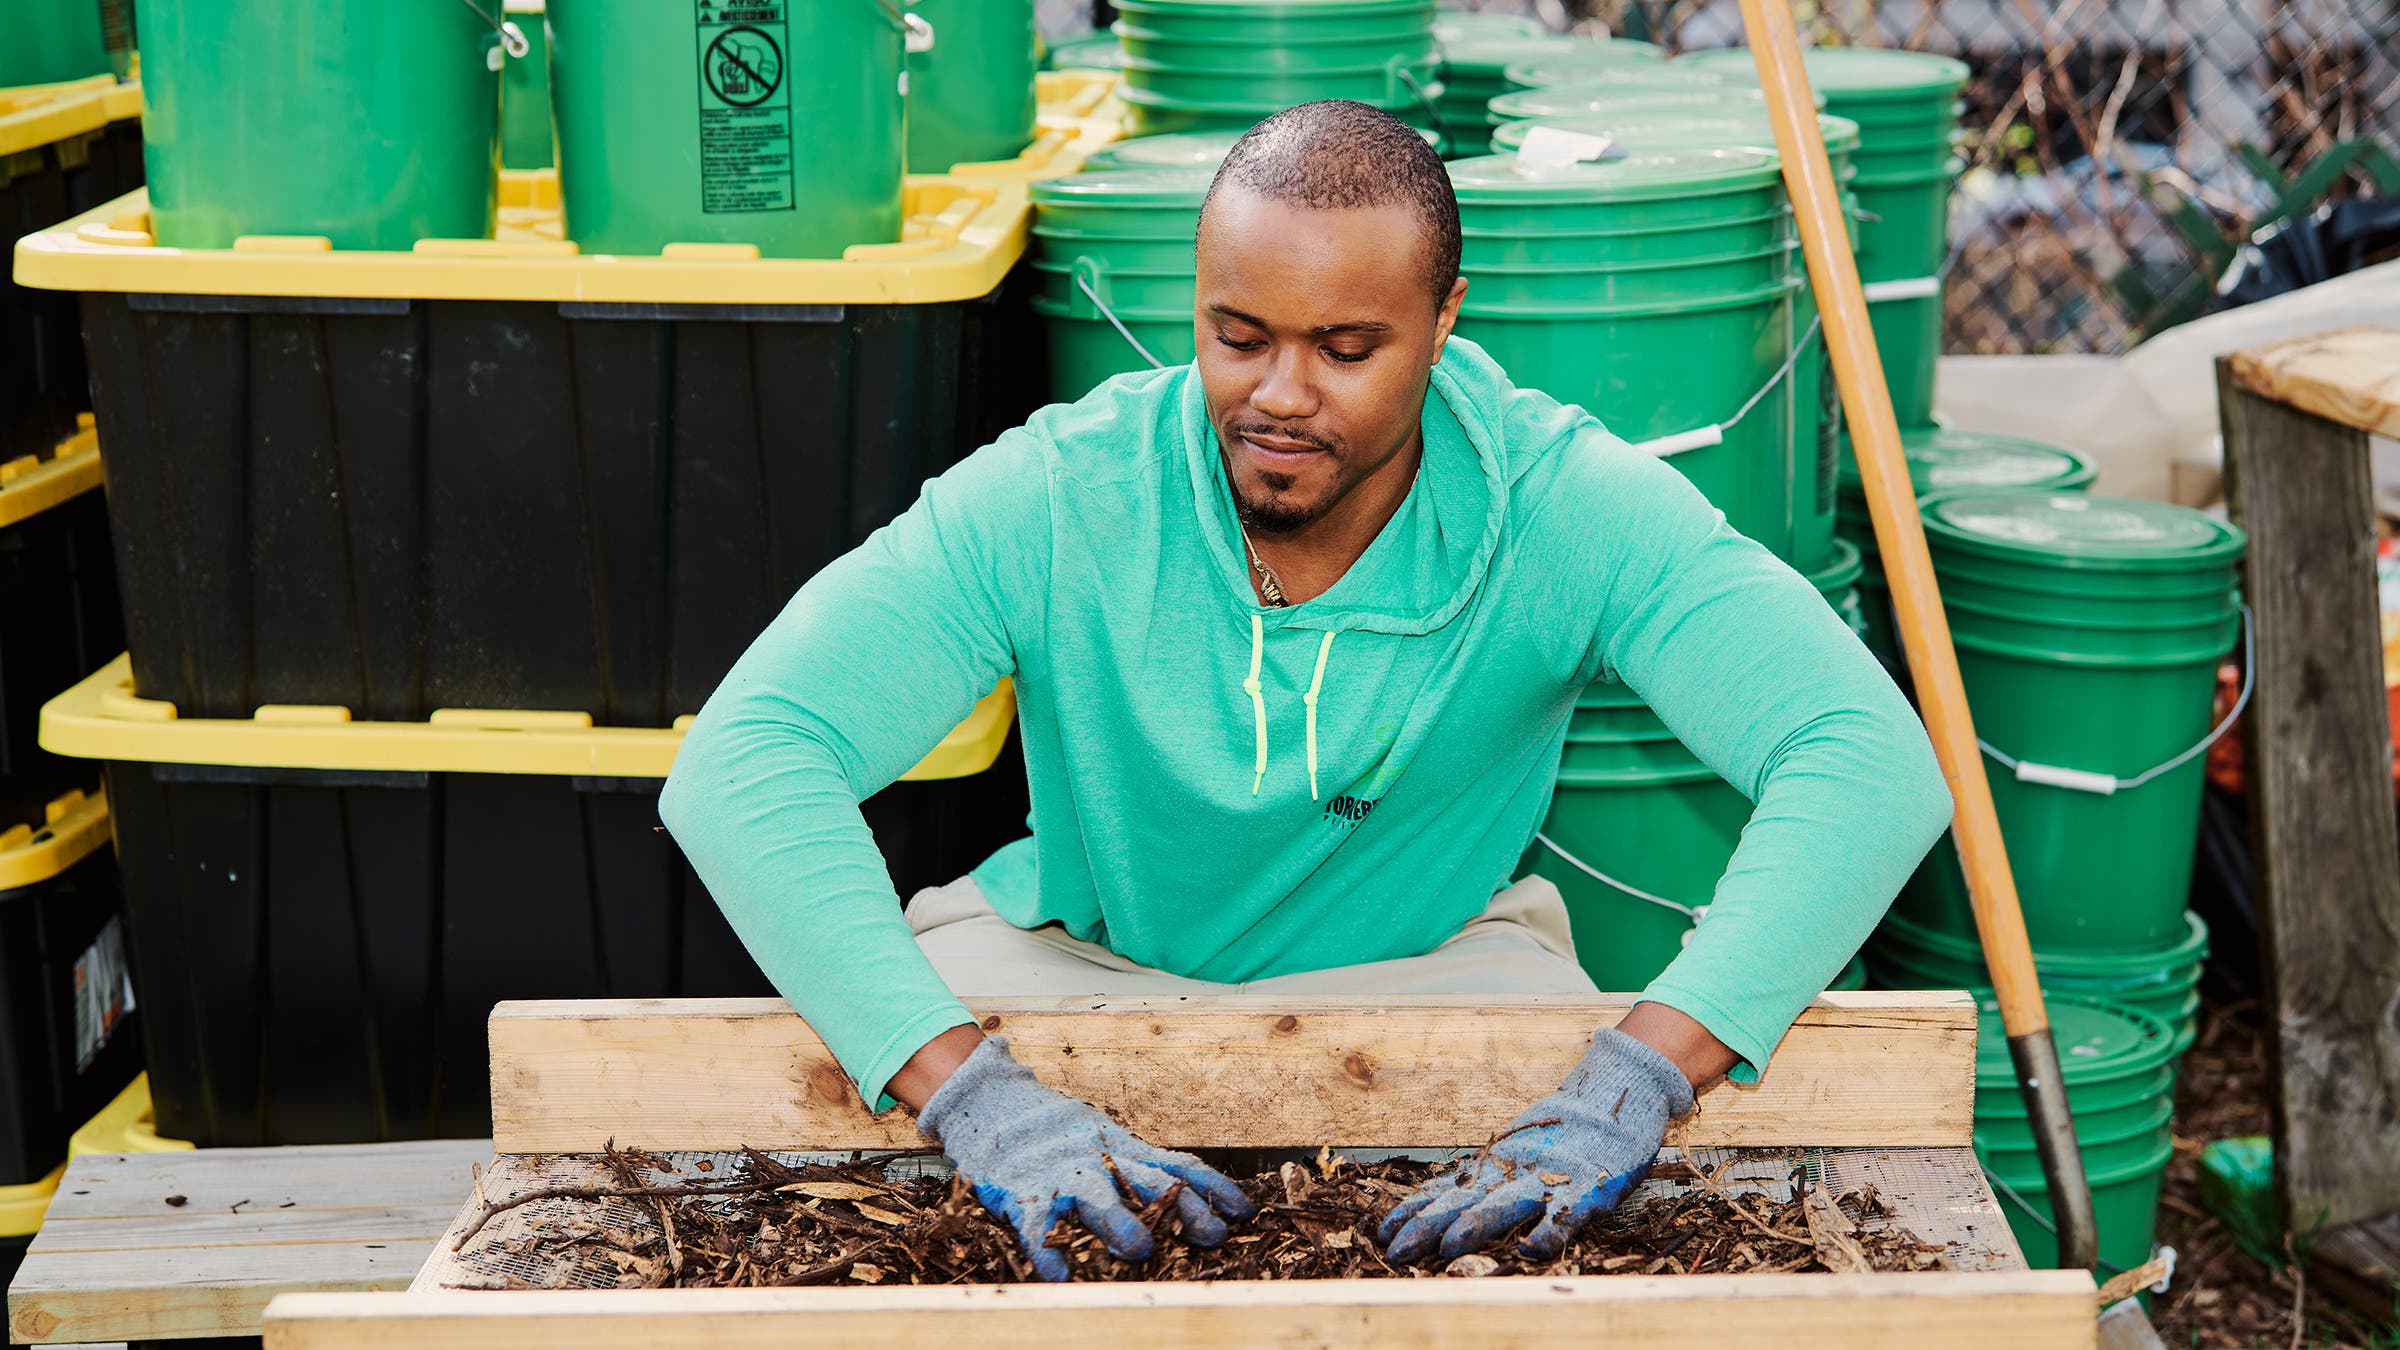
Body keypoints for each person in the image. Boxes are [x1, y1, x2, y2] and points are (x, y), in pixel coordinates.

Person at [660, 98, 1951, 1281]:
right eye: (1237, 337)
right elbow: (748, 757)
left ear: (1444, 320)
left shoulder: (1560, 505)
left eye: (1345, 348)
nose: (1279, 397)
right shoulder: (1066, 491)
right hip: (1073, 963)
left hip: (1427, 974)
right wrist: (971, 1094)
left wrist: (1642, 1075)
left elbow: (1865, 758)